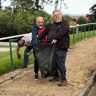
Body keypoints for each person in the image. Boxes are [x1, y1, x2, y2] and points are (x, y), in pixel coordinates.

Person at [38, 10, 70, 86]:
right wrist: (37, 39)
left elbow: (63, 31)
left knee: (60, 63)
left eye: (58, 14)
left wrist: (56, 38)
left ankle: (64, 79)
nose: (57, 16)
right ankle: (56, 76)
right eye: (55, 15)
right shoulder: (51, 25)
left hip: (61, 46)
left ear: (61, 15)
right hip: (52, 47)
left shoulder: (65, 23)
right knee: (53, 62)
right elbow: (44, 32)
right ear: (53, 17)